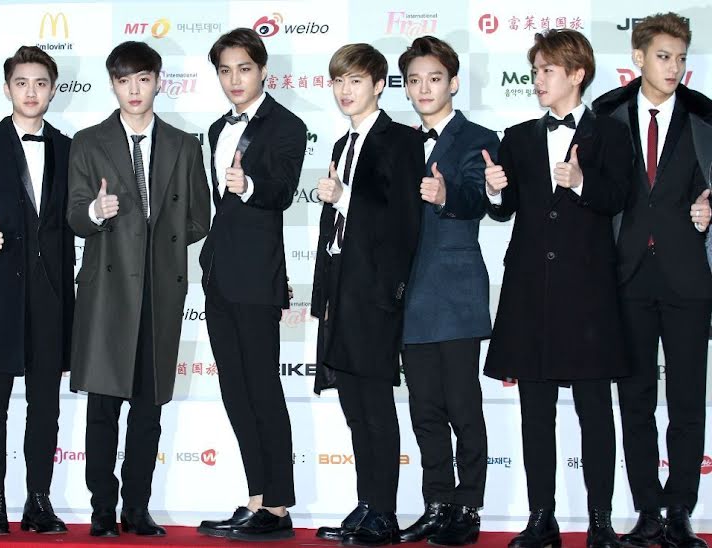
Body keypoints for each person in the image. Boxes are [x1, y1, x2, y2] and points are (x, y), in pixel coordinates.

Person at [482, 29, 634, 548]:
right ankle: (540, 519)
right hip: (529, 292)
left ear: (577, 74)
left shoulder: (611, 133)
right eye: (535, 71)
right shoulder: (518, 135)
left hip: (588, 294)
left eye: (547, 70)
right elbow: (505, 209)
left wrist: (581, 183)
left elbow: (618, 198)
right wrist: (494, 191)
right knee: (534, 413)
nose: (538, 80)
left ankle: (600, 523)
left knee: (596, 411)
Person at [65, 40, 210, 538]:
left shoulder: (184, 145)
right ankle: (102, 509)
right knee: (103, 409)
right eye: (124, 80)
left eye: (143, 79)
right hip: (107, 294)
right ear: (112, 84)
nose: (134, 89)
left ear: (157, 82)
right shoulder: (88, 142)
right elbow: (74, 216)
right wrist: (95, 212)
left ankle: (137, 508)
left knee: (148, 412)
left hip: (159, 293)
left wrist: (159, 241)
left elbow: (199, 219)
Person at [592, 12, 712, 548]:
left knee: (687, 401)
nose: (674, 67)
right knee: (635, 401)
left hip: (688, 277)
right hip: (627, 277)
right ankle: (646, 510)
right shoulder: (608, 114)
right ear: (638, 58)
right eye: (664, 56)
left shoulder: (705, 115)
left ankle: (680, 509)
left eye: (681, 58)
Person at [0, 45, 75, 536]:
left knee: (45, 404)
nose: (31, 91)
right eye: (22, 82)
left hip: (52, 295)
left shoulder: (69, 149)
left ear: (53, 90)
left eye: (40, 83)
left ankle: (39, 501)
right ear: (7, 88)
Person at [309, 43, 424, 547]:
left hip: (375, 292)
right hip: (340, 286)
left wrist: (345, 197)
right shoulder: (342, 144)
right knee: (354, 407)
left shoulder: (401, 141)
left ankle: (386, 513)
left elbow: (402, 220)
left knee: (376, 407)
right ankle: (367, 504)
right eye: (338, 81)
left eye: (355, 80)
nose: (345, 90)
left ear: (379, 85)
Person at [195, 27, 306, 542]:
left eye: (244, 68)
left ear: (263, 70)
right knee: (235, 392)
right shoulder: (216, 127)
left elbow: (282, 191)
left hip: (258, 278)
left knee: (263, 388)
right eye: (225, 70)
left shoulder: (287, 125)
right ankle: (257, 499)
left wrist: (250, 184)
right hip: (219, 275)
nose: (234, 79)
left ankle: (278, 508)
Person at [397, 35, 497, 546]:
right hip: (409, 294)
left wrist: (445, 195)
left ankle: (469, 507)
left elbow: (482, 199)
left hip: (456, 293)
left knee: (463, 405)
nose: (424, 88)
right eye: (414, 80)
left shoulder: (479, 137)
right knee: (424, 409)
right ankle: (436, 503)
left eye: (434, 78)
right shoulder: (398, 142)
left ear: (453, 83)